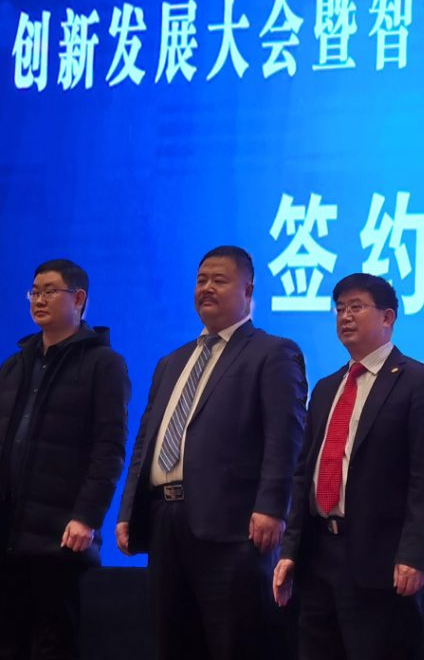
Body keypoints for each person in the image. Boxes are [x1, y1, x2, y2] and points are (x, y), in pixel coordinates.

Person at [117, 245, 307, 660]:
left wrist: (272, 507)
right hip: (166, 521)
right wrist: (129, 510)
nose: (206, 288)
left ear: (248, 291)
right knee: (174, 642)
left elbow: (286, 436)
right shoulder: (172, 362)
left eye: (219, 280)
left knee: (234, 643)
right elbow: (147, 441)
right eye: (201, 280)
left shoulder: (272, 352)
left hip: (232, 527)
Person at [273, 273, 424, 660]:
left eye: (356, 307)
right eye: (339, 309)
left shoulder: (419, 382)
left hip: (379, 562)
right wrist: (290, 551)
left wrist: (415, 555)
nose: (345, 316)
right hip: (318, 557)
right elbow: (303, 476)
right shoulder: (326, 388)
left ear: (388, 317)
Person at [0, 259, 130, 660]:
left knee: (53, 643)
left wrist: (87, 517)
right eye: (34, 292)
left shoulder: (103, 364)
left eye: (49, 291)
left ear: (78, 299)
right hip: (9, 534)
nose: (38, 300)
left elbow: (109, 448)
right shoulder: (15, 365)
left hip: (60, 537)